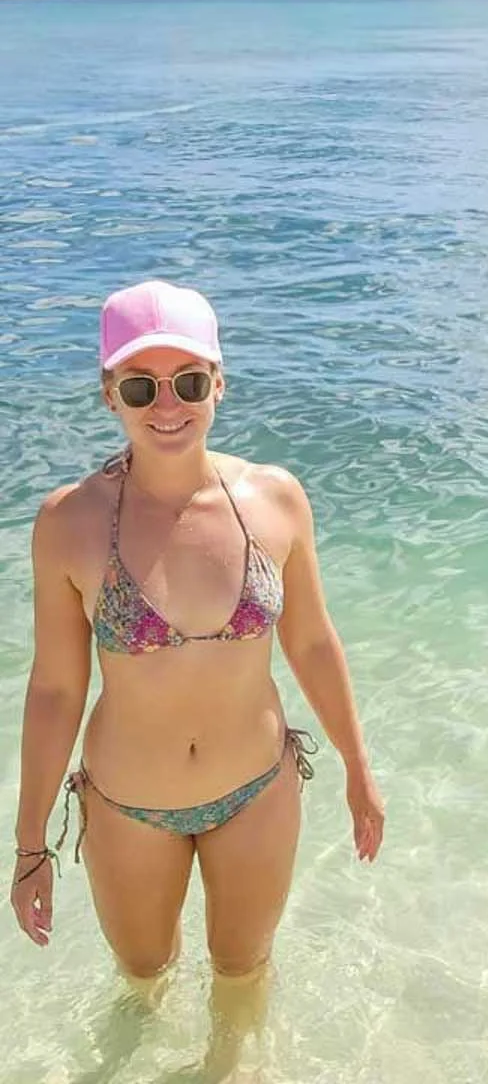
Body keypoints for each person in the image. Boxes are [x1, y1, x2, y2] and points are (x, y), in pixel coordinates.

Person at [10, 279, 384, 1062]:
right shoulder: (68, 522)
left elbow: (313, 642)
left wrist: (358, 766)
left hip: (257, 790)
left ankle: (228, 1073)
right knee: (144, 975)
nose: (167, 404)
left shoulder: (276, 500)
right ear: (111, 394)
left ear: (218, 384)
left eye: (187, 382)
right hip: (126, 805)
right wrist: (30, 844)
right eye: (142, 386)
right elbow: (54, 688)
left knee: (243, 970)